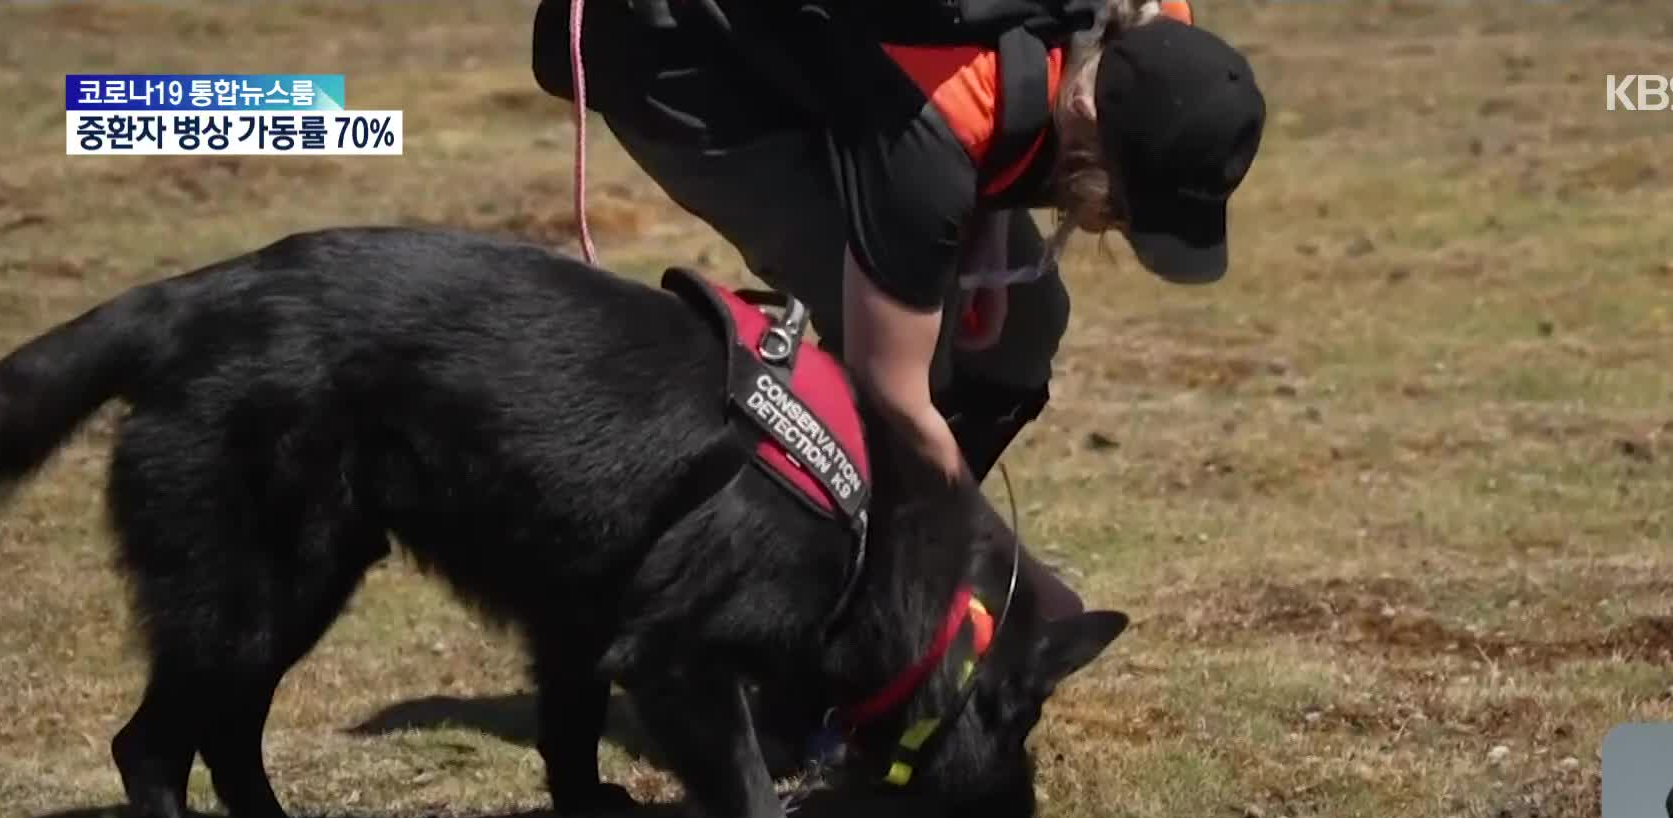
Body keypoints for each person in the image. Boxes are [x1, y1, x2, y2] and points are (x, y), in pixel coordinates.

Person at [532, 0, 1267, 621]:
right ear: (1085, 108)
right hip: (693, 64)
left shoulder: (1146, 26)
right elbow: (892, 390)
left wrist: (980, 234)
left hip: (857, 65)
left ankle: (887, 570)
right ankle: (782, 608)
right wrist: (1014, 582)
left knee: (1027, 325)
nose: (1111, 223)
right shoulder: (938, 131)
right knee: (888, 363)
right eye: (1120, 201)